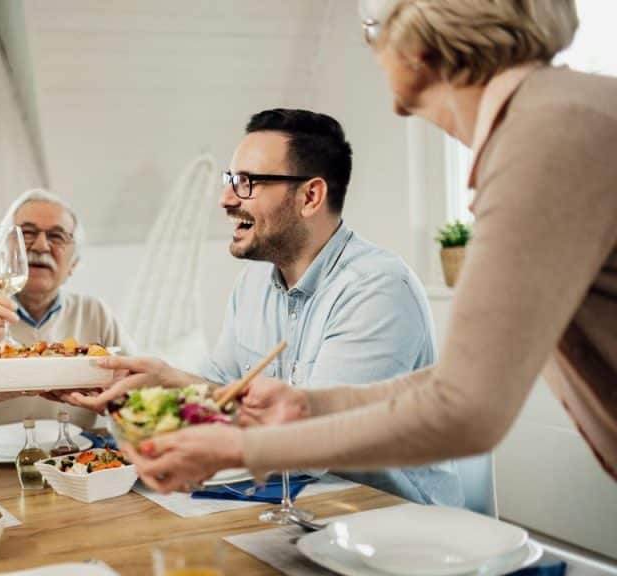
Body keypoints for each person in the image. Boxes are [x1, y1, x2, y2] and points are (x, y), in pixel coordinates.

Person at [108, 0, 617, 493]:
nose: (371, 50)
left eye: (372, 29)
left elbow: (466, 408)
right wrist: (310, 408)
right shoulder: (553, 118)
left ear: (420, 40)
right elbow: (454, 385)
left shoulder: (545, 136)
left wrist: (242, 449)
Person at [65, 109, 461, 505]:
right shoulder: (254, 283)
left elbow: (311, 447)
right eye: (230, 180)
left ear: (310, 196)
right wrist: (166, 379)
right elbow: (222, 388)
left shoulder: (378, 290)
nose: (225, 199)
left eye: (247, 183)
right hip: (304, 508)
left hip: (391, 523)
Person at [0, 189, 134, 436]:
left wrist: (120, 397)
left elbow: (135, 391)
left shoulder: (95, 313)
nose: (40, 245)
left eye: (57, 236)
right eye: (27, 233)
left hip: (71, 464)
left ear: (74, 264)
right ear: (3, 252)